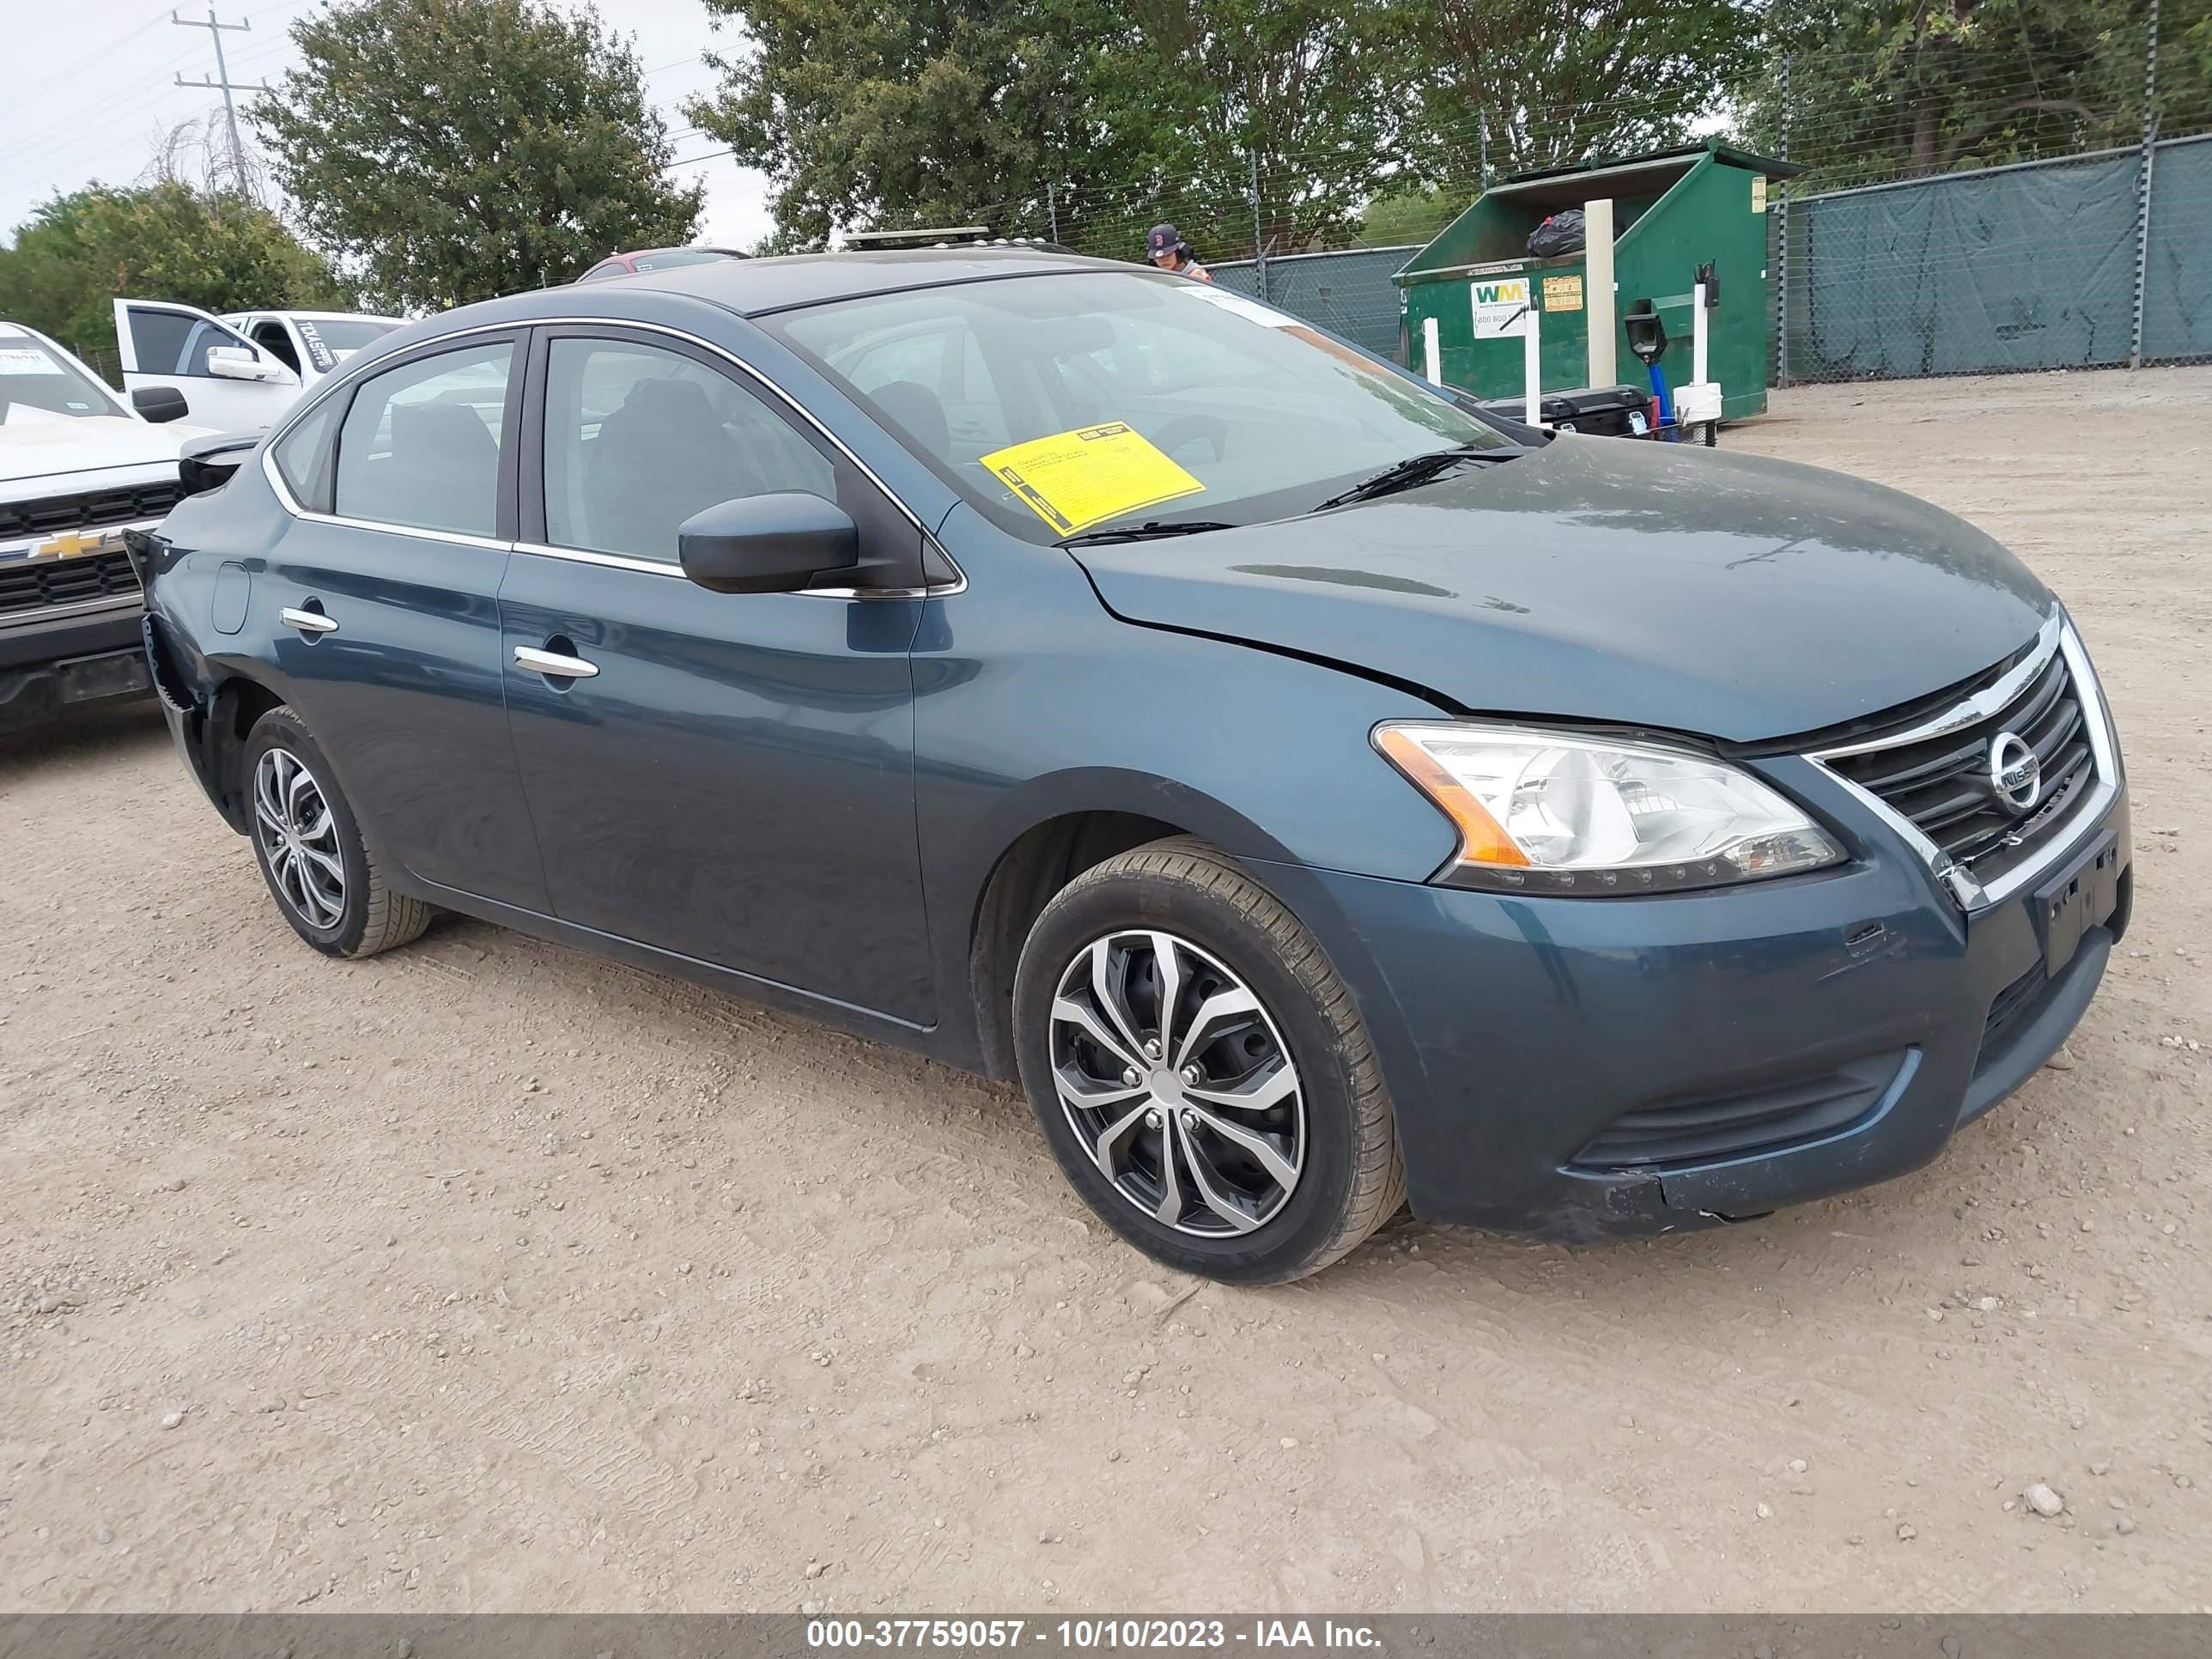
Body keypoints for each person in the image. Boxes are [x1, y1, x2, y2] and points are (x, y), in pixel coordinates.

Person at [1146, 223, 1212, 283]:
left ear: (1178, 252)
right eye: (1159, 257)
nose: (1164, 260)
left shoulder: (1197, 277)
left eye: (1168, 254)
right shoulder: (1154, 279)